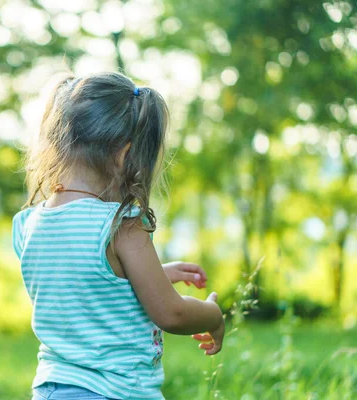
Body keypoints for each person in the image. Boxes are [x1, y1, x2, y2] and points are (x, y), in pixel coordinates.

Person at [12, 72, 225, 400]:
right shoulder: (120, 224)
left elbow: (82, 286)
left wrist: (158, 274)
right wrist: (212, 314)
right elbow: (172, 313)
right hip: (115, 392)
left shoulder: (28, 225)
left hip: (51, 390)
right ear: (125, 154)